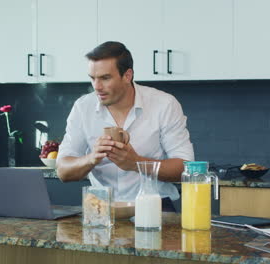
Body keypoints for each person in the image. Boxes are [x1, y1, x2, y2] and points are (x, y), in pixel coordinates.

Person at [56, 41, 194, 211]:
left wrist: (136, 163)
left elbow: (185, 168)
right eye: (93, 78)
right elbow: (62, 170)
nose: (97, 87)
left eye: (105, 78)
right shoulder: (82, 107)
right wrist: (91, 158)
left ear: (127, 75)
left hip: (154, 206)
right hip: (100, 207)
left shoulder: (164, 104)